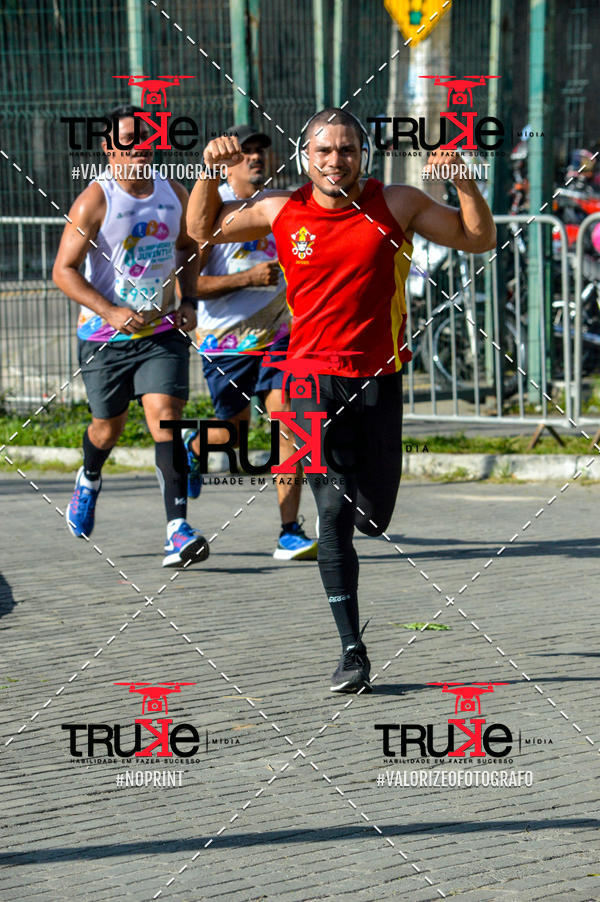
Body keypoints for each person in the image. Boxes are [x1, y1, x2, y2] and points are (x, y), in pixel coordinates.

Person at [186, 108, 496, 691]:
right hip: (306, 380)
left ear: (364, 154)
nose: (335, 161)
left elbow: (477, 239)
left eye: (347, 150)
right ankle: (352, 650)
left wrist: (462, 177)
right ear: (306, 157)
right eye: (324, 151)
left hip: (378, 379)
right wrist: (208, 173)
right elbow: (203, 231)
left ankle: (362, 515)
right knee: (330, 513)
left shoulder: (397, 203)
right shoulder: (282, 209)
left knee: (372, 516)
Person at [53, 105, 209, 568]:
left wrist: (189, 301)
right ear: (108, 148)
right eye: (127, 140)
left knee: (166, 418)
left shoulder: (172, 191)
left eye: (145, 139)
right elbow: (63, 270)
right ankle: (89, 478)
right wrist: (109, 310)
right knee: (107, 428)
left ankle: (176, 531)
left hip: (160, 331)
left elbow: (187, 247)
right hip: (104, 338)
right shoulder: (95, 200)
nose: (139, 147)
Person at [185, 123, 317, 561]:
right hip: (226, 344)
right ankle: (193, 449)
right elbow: (188, 286)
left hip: (281, 338)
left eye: (262, 150)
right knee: (233, 433)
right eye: (245, 152)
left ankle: (289, 531)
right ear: (228, 163)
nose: (256, 157)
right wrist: (247, 277)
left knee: (289, 424)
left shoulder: (283, 206)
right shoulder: (215, 209)